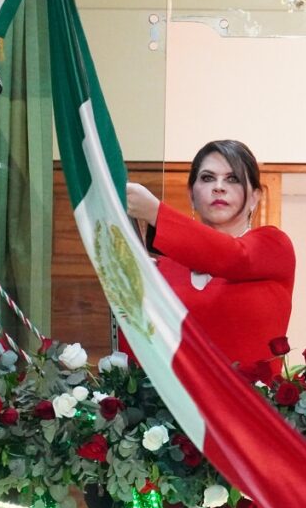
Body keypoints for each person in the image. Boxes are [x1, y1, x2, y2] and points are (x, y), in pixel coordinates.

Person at [125, 139, 295, 382]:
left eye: (232, 179)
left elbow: (232, 257)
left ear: (255, 196)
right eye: (207, 178)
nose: (219, 187)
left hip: (252, 411)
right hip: (175, 412)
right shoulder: (162, 269)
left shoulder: (274, 245)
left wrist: (155, 212)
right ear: (191, 195)